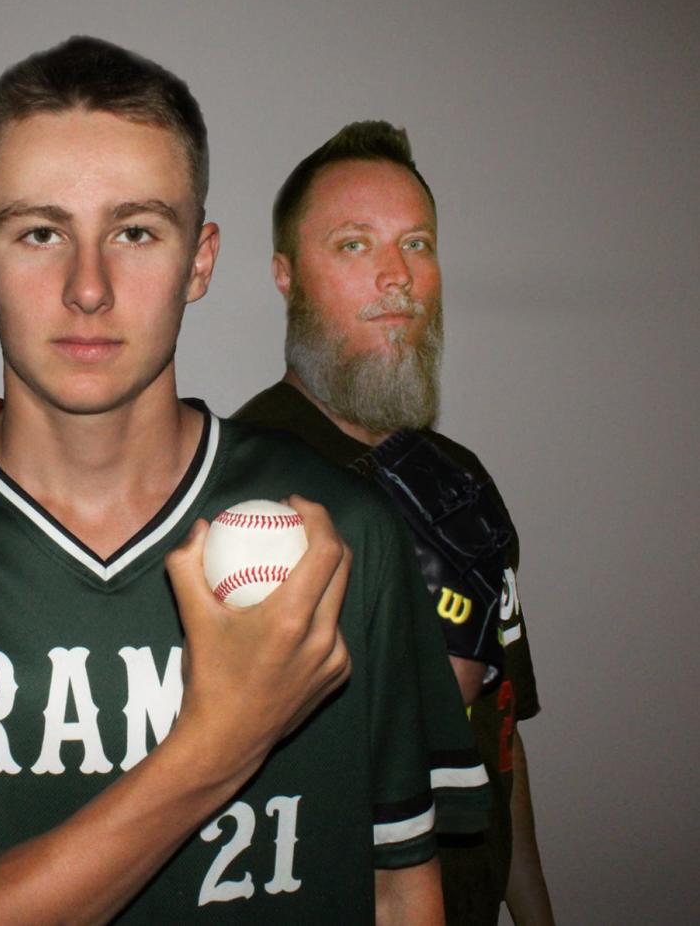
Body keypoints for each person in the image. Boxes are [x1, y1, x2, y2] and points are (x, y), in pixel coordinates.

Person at [0, 38, 487, 924]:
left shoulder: (341, 532)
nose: (89, 287)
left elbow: (398, 889)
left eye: (136, 231)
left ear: (200, 260)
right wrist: (218, 745)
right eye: (41, 233)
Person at [234, 120, 554, 924]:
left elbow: (500, 739)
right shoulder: (241, 495)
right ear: (286, 275)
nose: (397, 277)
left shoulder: (461, 483)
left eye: (416, 243)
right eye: (352, 245)